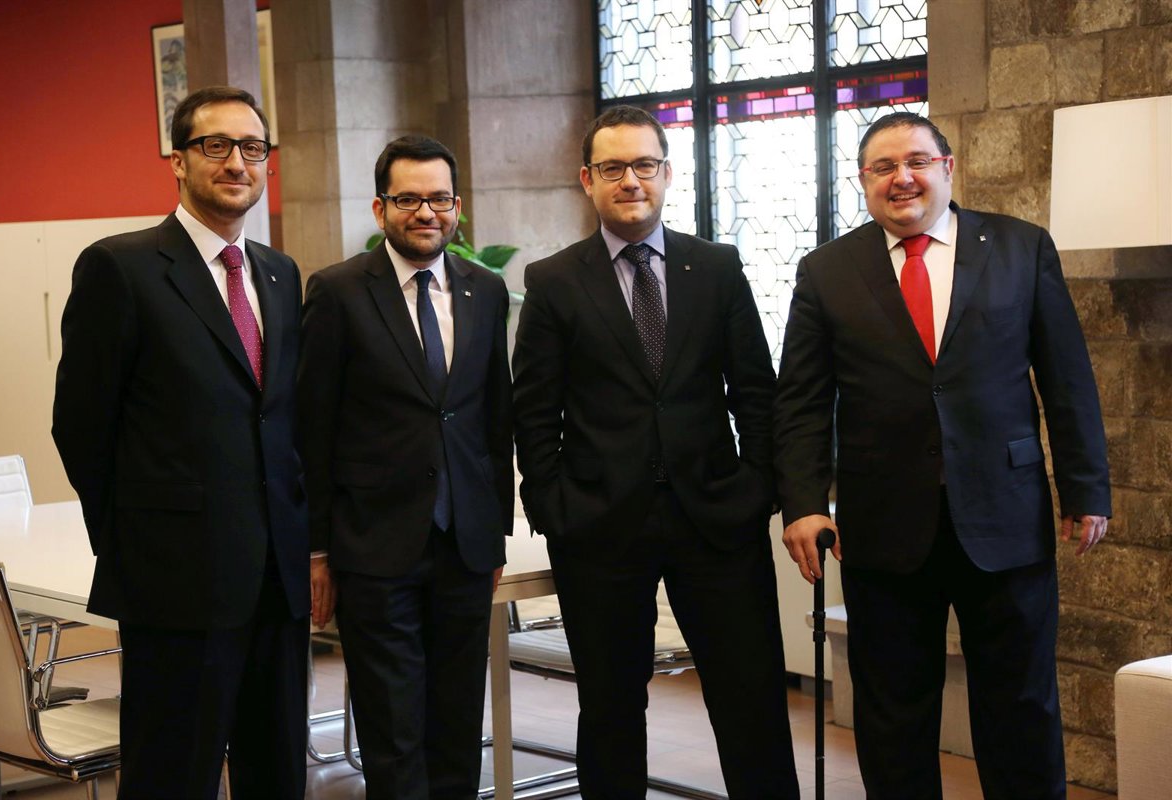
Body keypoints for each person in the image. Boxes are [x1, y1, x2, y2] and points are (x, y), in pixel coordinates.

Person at [775, 111, 1111, 799]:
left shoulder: (1020, 247)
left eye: (917, 161)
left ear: (948, 168)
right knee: (892, 711)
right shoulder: (827, 270)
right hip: (883, 525)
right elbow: (802, 402)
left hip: (1006, 516)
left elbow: (1067, 378)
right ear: (864, 180)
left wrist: (1086, 489)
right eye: (883, 167)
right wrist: (804, 503)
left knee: (1020, 705)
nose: (902, 177)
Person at [512, 105, 799, 799]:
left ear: (667, 173)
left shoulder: (717, 268)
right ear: (587, 179)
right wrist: (554, 504)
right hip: (600, 527)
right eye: (612, 167)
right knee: (610, 708)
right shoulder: (554, 281)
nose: (630, 180)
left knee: (752, 699)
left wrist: (756, 488)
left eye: (644, 164)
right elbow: (534, 409)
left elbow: (755, 391)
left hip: (717, 519)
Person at [51, 86, 309, 799]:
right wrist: (132, 538)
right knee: (172, 778)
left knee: (278, 774)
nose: (236, 163)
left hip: (276, 579)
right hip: (174, 580)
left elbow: (282, 420)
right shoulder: (121, 267)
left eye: (252, 148)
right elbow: (80, 424)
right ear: (178, 160)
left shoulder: (280, 274)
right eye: (215, 145)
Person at [297, 135, 513, 800]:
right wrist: (317, 549)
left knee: (457, 721)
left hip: (465, 545)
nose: (426, 212)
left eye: (440, 199)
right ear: (380, 207)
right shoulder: (337, 291)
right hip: (374, 545)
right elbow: (313, 428)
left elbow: (494, 417)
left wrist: (495, 532)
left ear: (457, 208)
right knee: (393, 729)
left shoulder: (485, 289)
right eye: (409, 199)